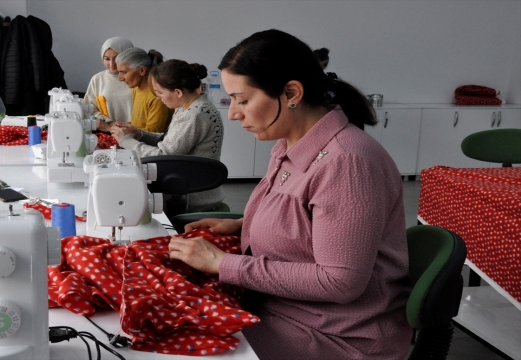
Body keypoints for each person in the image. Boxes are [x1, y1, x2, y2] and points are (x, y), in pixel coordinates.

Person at [166, 29, 412, 359]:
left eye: (243, 100)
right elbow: (311, 219)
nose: (234, 114)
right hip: (284, 309)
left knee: (176, 342)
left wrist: (223, 263)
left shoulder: (347, 162)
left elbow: (340, 281)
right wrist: (243, 224)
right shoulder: (289, 144)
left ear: (291, 92)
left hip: (338, 334)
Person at [110, 59, 225, 213]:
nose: (158, 98)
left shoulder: (195, 115)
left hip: (191, 195)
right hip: (189, 186)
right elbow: (171, 141)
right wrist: (140, 134)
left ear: (178, 92)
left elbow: (164, 156)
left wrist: (126, 141)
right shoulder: (188, 106)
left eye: (160, 93)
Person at [115, 47, 171, 133]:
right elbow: (138, 125)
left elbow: (154, 133)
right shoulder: (136, 89)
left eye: (124, 72)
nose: (120, 78)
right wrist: (122, 126)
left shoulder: (157, 97)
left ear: (142, 70)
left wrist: (124, 130)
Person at [83, 36, 134, 132]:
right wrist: (109, 122)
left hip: (136, 133)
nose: (112, 63)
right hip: (107, 133)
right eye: (107, 59)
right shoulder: (97, 79)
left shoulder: (136, 78)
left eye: (116, 58)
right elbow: (89, 108)